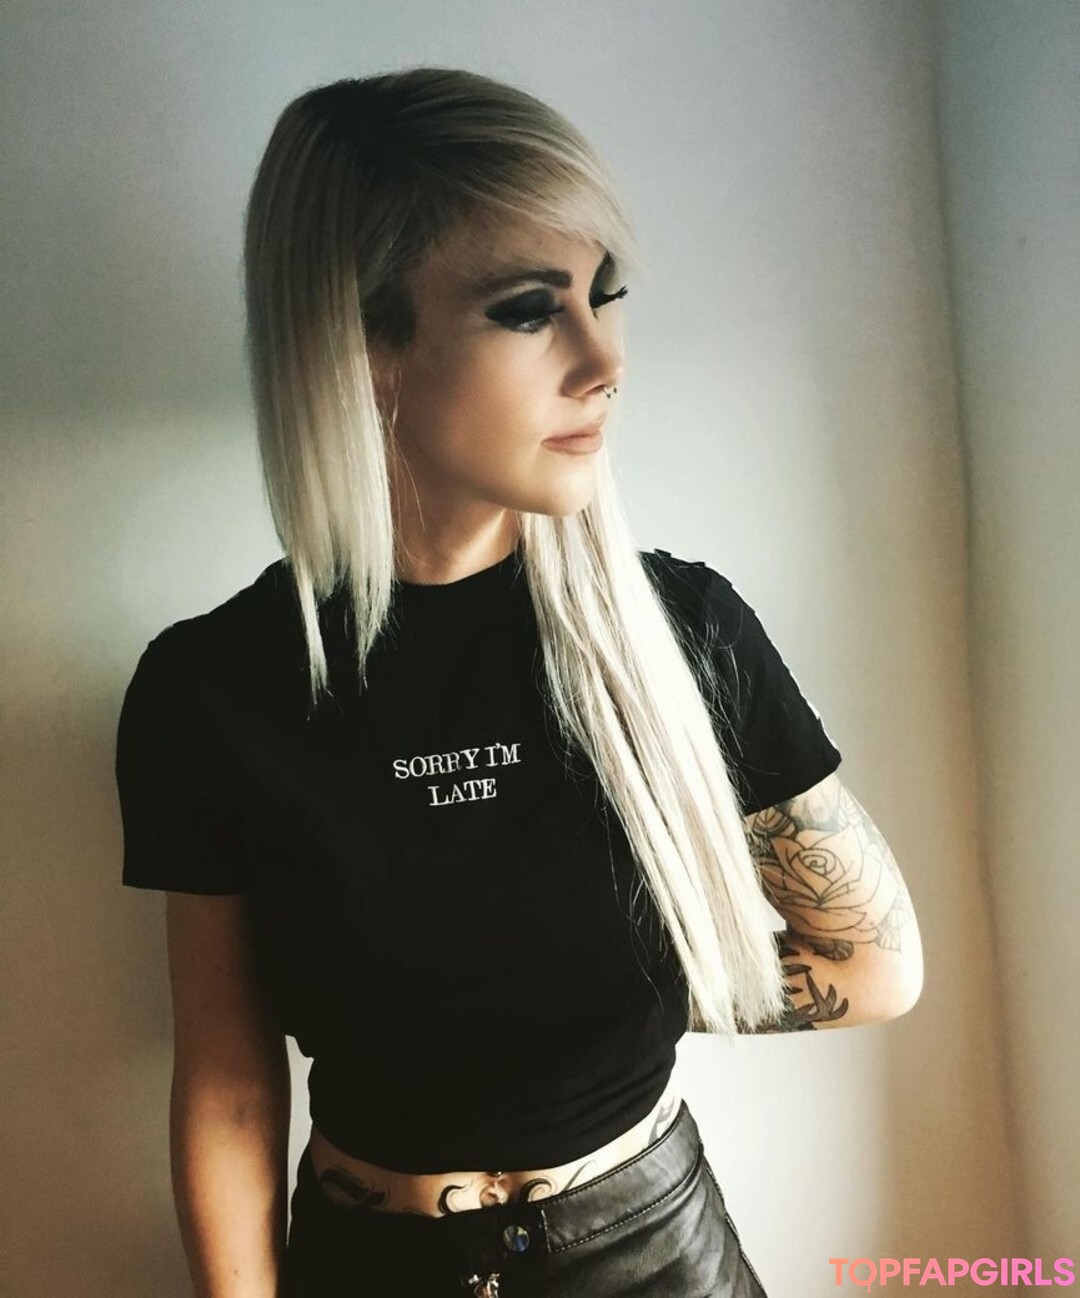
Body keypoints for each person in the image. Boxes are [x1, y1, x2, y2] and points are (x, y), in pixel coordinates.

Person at [115, 66, 923, 1298]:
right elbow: (228, 1084)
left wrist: (618, 992)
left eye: (607, 296)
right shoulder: (211, 689)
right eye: (530, 311)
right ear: (363, 341)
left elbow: (873, 965)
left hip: (652, 1253)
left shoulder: (684, 633)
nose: (604, 361)